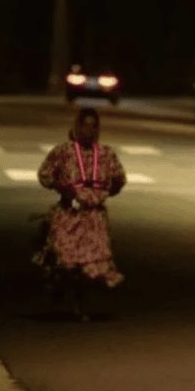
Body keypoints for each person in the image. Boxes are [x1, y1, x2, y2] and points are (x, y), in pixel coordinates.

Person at [35, 107, 126, 320]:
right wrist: (62, 187)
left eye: (93, 125)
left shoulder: (105, 153)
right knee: (65, 261)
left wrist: (112, 188)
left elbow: (119, 177)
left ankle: (80, 304)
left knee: (90, 265)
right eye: (85, 125)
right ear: (77, 126)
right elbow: (44, 174)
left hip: (93, 216)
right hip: (69, 213)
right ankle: (59, 287)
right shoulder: (63, 151)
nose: (89, 130)